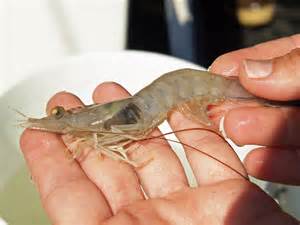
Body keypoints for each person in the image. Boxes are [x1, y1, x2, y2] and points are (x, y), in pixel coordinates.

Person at [20, 34, 300, 225]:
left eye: (60, 115)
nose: (61, 119)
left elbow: (120, 132)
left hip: (183, 87)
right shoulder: (87, 123)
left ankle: (267, 95)